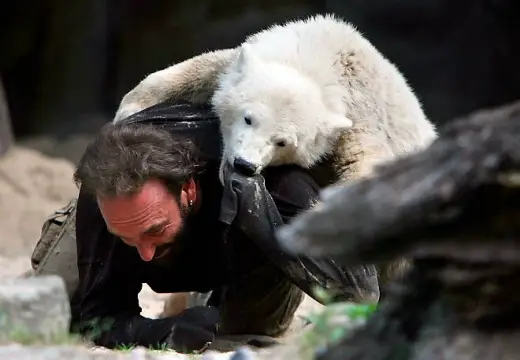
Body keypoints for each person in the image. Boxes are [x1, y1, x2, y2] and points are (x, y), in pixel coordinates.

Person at [31, 101, 380, 354]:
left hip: (244, 239)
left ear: (189, 189)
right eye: (125, 237)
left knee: (247, 332)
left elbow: (359, 290)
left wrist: (260, 221)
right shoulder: (106, 197)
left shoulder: (276, 182)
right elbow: (98, 318)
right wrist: (163, 331)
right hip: (155, 222)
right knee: (51, 318)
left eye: (153, 230)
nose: (145, 254)